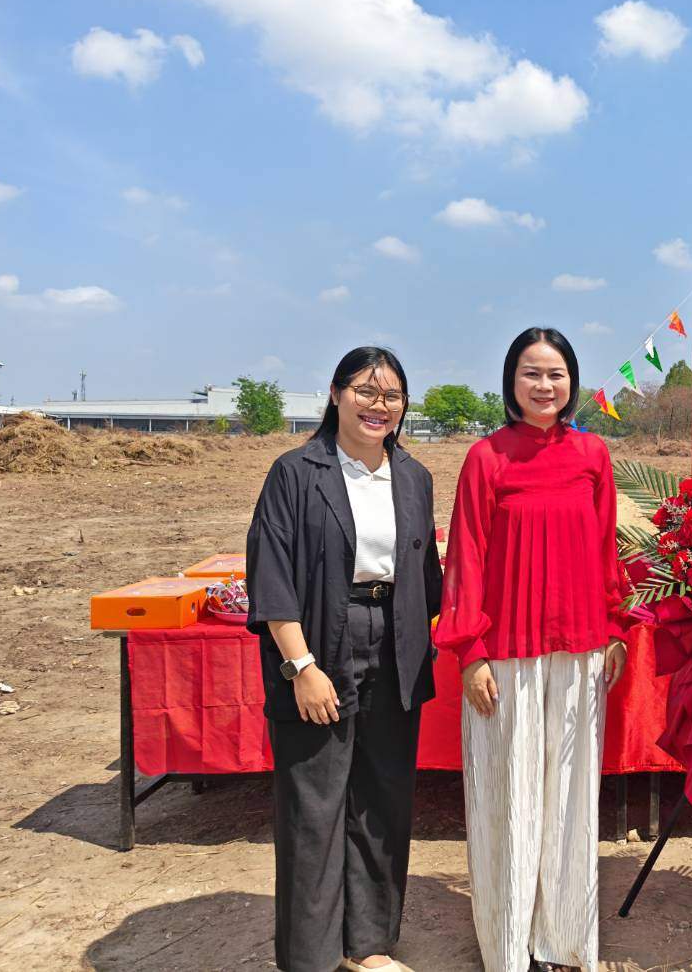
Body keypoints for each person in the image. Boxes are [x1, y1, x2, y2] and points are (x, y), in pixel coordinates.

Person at [434, 327, 631, 972]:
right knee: (512, 799)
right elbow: (464, 557)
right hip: (506, 655)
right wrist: (471, 651)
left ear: (572, 381)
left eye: (555, 374)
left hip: (579, 652)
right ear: (510, 382)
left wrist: (616, 628)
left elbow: (607, 550)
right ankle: (510, 944)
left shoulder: (593, 455)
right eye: (530, 374)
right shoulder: (487, 458)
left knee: (572, 801)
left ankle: (565, 940)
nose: (544, 386)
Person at [246, 346, 443, 972]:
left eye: (390, 395)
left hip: (395, 640)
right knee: (315, 805)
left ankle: (370, 944)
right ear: (335, 395)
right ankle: (309, 956)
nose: (377, 405)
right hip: (320, 641)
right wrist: (300, 667)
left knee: (384, 797)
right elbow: (271, 574)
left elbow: (428, 576)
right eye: (364, 390)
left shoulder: (413, 476)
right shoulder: (296, 472)